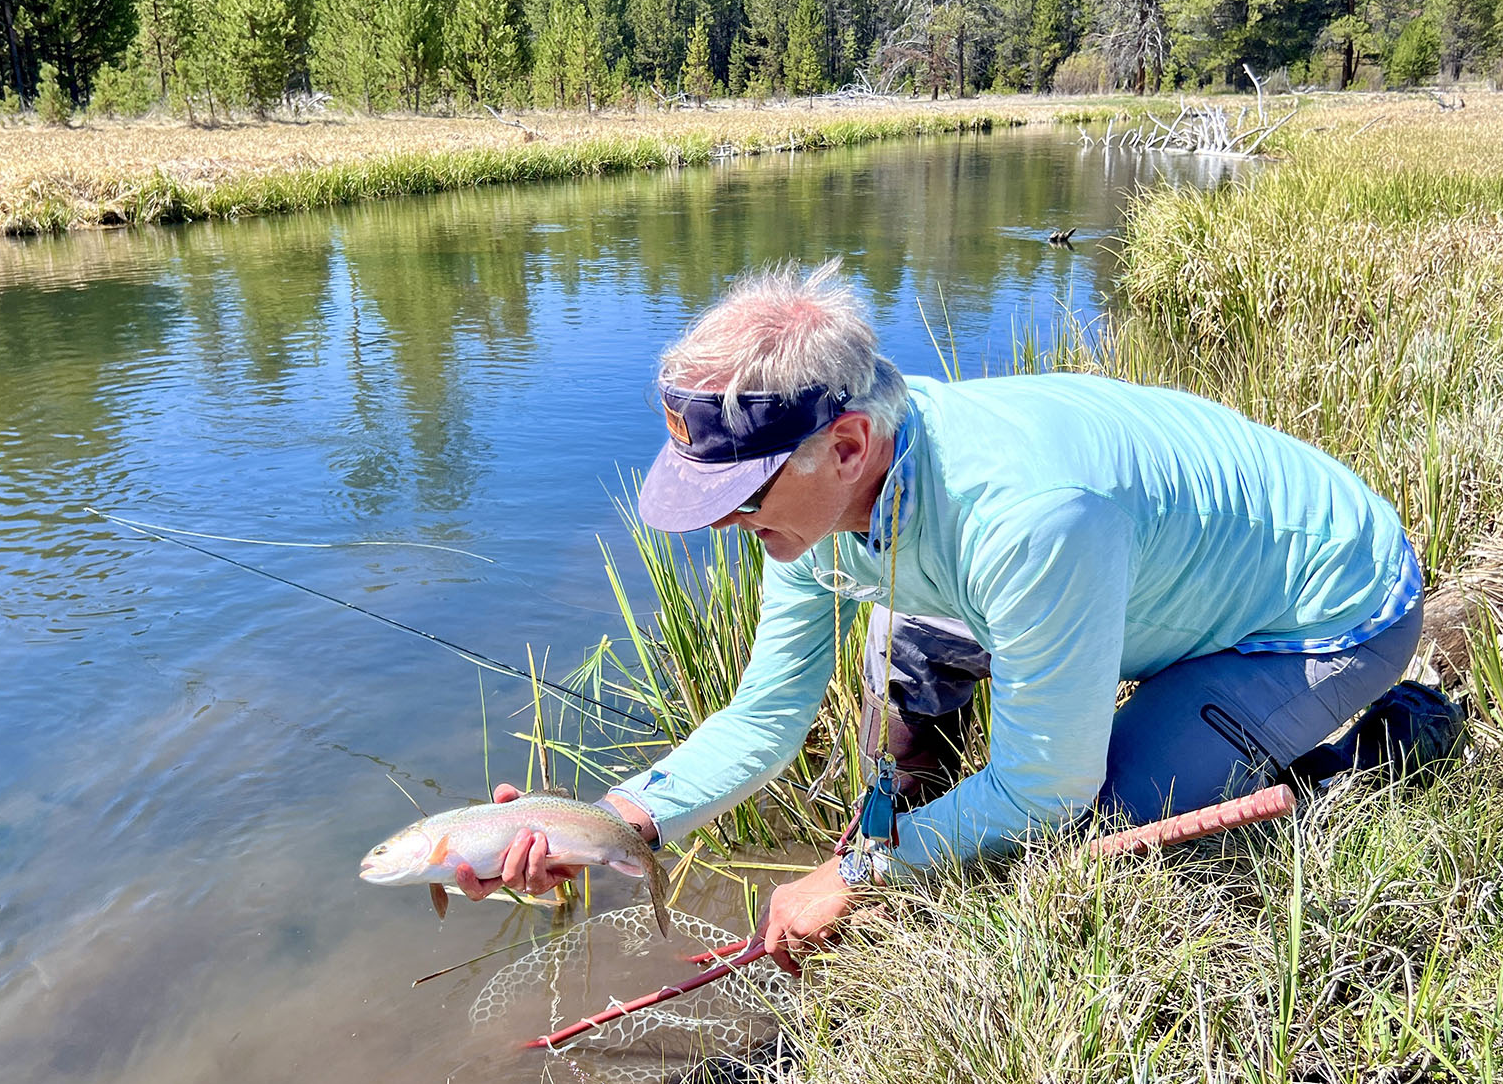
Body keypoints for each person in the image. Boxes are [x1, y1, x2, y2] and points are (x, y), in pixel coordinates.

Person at [458, 259, 1425, 975]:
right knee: (906, 665)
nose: (724, 523)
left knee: (1096, 818)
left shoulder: (1029, 515)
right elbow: (765, 716)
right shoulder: (828, 498)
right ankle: (936, 813)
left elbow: (1047, 787)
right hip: (1133, 585)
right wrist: (613, 821)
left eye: (741, 497)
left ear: (847, 445)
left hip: (1321, 612)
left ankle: (1379, 750)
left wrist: (856, 875)